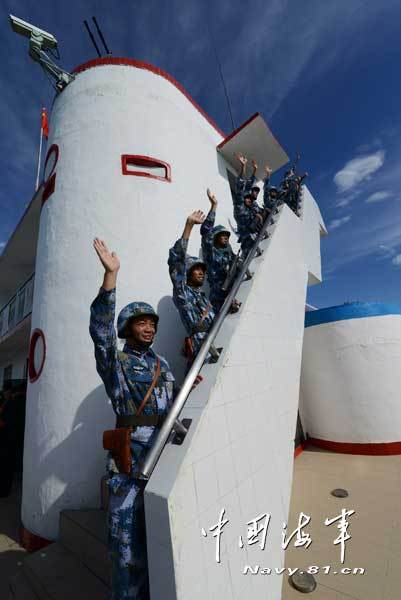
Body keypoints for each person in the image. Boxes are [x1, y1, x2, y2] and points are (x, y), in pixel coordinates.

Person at [89, 237, 176, 600]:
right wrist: (110, 278)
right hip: (129, 467)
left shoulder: (163, 365)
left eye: (151, 323)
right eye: (140, 323)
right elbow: (100, 334)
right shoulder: (117, 363)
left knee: (158, 539)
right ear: (127, 328)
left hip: (163, 459)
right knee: (126, 549)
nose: (149, 328)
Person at [168, 211, 216, 365]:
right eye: (196, 269)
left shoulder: (201, 295)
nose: (201, 272)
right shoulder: (183, 293)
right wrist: (188, 226)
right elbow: (176, 262)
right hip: (202, 353)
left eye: (202, 269)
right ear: (187, 273)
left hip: (215, 342)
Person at [200, 188, 240, 313]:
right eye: (222, 235)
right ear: (216, 237)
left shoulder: (228, 251)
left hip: (232, 287)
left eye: (227, 235)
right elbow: (205, 231)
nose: (225, 237)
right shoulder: (211, 251)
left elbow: (237, 264)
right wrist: (214, 206)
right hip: (218, 293)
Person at [233, 153, 265, 256]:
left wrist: (255, 170)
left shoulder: (251, 208)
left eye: (251, 199)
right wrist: (244, 167)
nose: (249, 200)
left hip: (253, 234)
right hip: (246, 237)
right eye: (247, 199)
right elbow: (240, 185)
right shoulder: (240, 205)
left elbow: (250, 183)